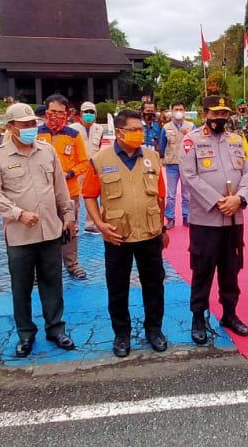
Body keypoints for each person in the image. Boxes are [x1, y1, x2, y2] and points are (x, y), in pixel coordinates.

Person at [0, 103, 77, 357]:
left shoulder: (47, 152)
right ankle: (25, 334)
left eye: (32, 124)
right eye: (24, 125)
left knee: (52, 282)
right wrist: (18, 214)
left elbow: (60, 187)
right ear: (11, 127)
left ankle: (56, 328)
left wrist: (68, 215)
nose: (29, 128)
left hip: (50, 230)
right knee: (21, 286)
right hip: (20, 235)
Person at [82, 109, 170, 358]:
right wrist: (100, 225)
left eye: (140, 129)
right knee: (118, 288)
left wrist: (162, 228)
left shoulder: (152, 157)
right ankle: (121, 334)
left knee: (154, 286)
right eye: (133, 130)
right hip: (117, 235)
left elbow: (160, 197)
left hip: (150, 234)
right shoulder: (100, 160)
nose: (139, 134)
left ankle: (154, 330)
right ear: (119, 132)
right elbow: (89, 195)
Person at [181, 95, 248, 344]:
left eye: (224, 113)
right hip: (206, 220)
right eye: (215, 114)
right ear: (204, 115)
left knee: (231, 269)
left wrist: (240, 199)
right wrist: (217, 201)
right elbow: (189, 176)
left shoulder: (238, 140)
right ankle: (199, 317)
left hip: (234, 219)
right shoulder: (191, 141)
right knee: (202, 270)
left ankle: (230, 313)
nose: (220, 118)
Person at [37, 94, 90, 280]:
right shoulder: (36, 135)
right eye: (53, 112)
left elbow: (84, 162)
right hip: (42, 193)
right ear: (46, 112)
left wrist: (70, 174)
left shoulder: (73, 135)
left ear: (66, 114)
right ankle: (44, 267)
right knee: (42, 229)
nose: (56, 116)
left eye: (60, 112)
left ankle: (72, 265)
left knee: (69, 228)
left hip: (69, 192)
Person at [160, 101, 195, 229]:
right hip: (172, 165)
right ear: (172, 111)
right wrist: (161, 159)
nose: (179, 111)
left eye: (181, 109)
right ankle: (170, 218)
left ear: (184, 111)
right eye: (176, 109)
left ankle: (187, 216)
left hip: (187, 165)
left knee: (187, 194)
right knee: (171, 194)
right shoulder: (166, 128)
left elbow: (197, 144)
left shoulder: (191, 126)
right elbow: (162, 146)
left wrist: (189, 135)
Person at [75, 101, 106, 235]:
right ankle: (74, 224)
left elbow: (98, 146)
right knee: (74, 198)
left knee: (92, 196)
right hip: (77, 168)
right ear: (81, 114)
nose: (89, 115)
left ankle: (90, 224)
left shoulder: (100, 129)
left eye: (91, 112)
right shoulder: (73, 128)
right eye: (86, 112)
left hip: (94, 167)